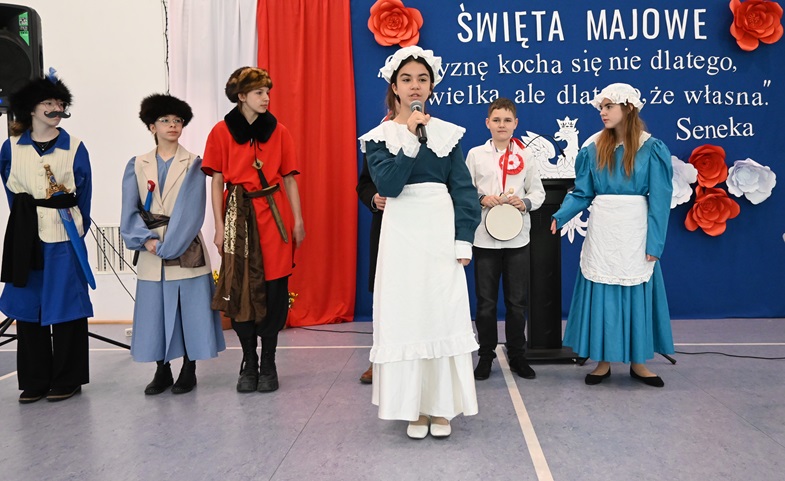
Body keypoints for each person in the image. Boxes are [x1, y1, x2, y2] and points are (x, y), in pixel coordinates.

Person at [359, 46, 481, 439]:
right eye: (407, 79)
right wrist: (410, 139)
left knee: (440, 314)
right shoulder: (378, 138)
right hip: (401, 235)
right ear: (394, 87)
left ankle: (440, 408)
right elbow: (390, 185)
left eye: (423, 79)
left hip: (439, 234)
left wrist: (463, 240)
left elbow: (463, 190)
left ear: (431, 87)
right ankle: (414, 408)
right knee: (408, 316)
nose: (415, 86)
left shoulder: (447, 134)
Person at [550, 83, 674, 387]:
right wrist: (561, 215)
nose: (602, 112)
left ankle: (638, 362)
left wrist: (655, 243)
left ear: (627, 108)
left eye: (609, 106)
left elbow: (660, 200)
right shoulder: (594, 148)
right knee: (603, 291)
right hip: (604, 229)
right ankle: (602, 361)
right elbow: (583, 192)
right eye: (601, 107)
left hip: (635, 230)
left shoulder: (651, 148)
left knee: (635, 291)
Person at [202, 66, 305, 394]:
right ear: (241, 96)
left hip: (273, 217)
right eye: (259, 92)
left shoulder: (279, 131)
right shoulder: (221, 132)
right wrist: (219, 226)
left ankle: (269, 362)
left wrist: (298, 220)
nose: (266, 98)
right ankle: (249, 361)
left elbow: (289, 178)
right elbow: (217, 181)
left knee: (274, 287)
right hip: (238, 215)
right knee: (241, 286)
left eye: (267, 92)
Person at [120, 94, 226, 395]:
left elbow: (192, 211)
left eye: (178, 120)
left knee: (191, 311)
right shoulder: (137, 164)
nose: (172, 125)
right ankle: (162, 369)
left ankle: (189, 369)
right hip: (151, 249)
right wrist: (147, 241)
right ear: (151, 126)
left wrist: (171, 246)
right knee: (155, 313)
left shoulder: (194, 163)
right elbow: (129, 209)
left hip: (185, 245)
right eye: (165, 120)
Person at [0, 71, 92, 403]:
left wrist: (75, 228)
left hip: (63, 235)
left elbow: (84, 195)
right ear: (31, 108)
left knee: (66, 305)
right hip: (25, 235)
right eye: (48, 102)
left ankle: (68, 378)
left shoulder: (75, 147)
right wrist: (26, 222)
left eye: (60, 103)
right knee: (28, 307)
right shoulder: (10, 147)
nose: (56, 109)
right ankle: (35, 379)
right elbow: (12, 192)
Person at [465, 98, 545, 381]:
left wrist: (525, 202)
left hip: (517, 239)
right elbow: (464, 190)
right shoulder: (475, 155)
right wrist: (481, 198)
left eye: (507, 120)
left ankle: (517, 355)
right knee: (486, 303)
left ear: (516, 124)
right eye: (496, 120)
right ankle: (486, 356)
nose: (502, 125)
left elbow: (538, 192)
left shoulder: (527, 156)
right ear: (487, 123)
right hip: (484, 239)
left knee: (517, 302)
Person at [355, 156, 385, 384]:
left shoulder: (434, 140)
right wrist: (374, 198)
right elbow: (364, 183)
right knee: (384, 298)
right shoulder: (378, 141)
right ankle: (380, 359)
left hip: (422, 228)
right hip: (386, 227)